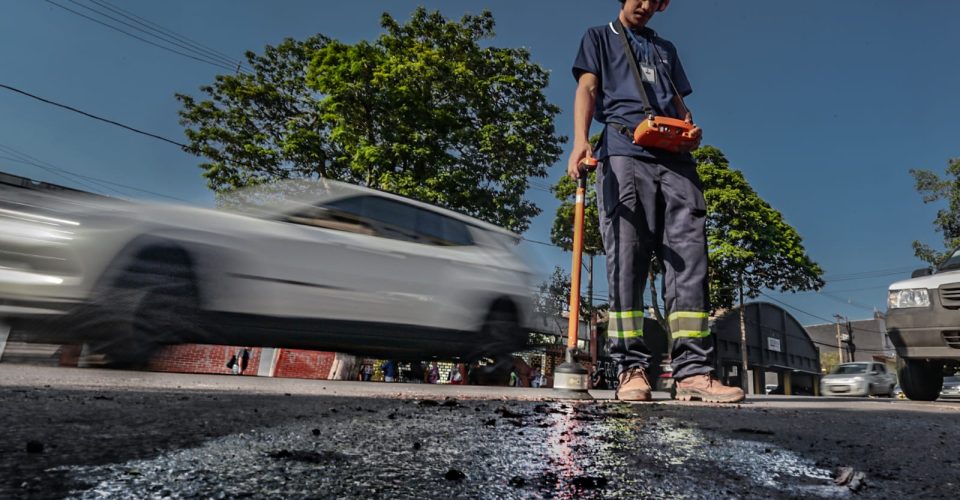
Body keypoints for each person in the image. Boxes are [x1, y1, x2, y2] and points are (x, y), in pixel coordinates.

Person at [568, 0, 743, 403]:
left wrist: (691, 127)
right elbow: (587, 88)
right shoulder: (599, 37)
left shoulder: (666, 48)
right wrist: (580, 141)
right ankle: (631, 369)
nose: (645, 5)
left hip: (676, 158)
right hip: (624, 152)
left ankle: (694, 374)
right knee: (627, 258)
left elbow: (679, 103)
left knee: (689, 258)